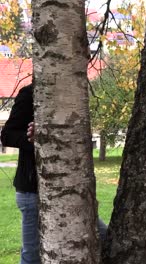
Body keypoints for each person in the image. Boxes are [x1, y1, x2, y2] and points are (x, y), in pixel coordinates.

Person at [1, 82, 107, 264]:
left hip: (71, 189)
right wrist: (35, 140)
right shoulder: (29, 94)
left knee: (104, 238)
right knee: (31, 257)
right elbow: (7, 135)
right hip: (32, 191)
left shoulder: (75, 95)